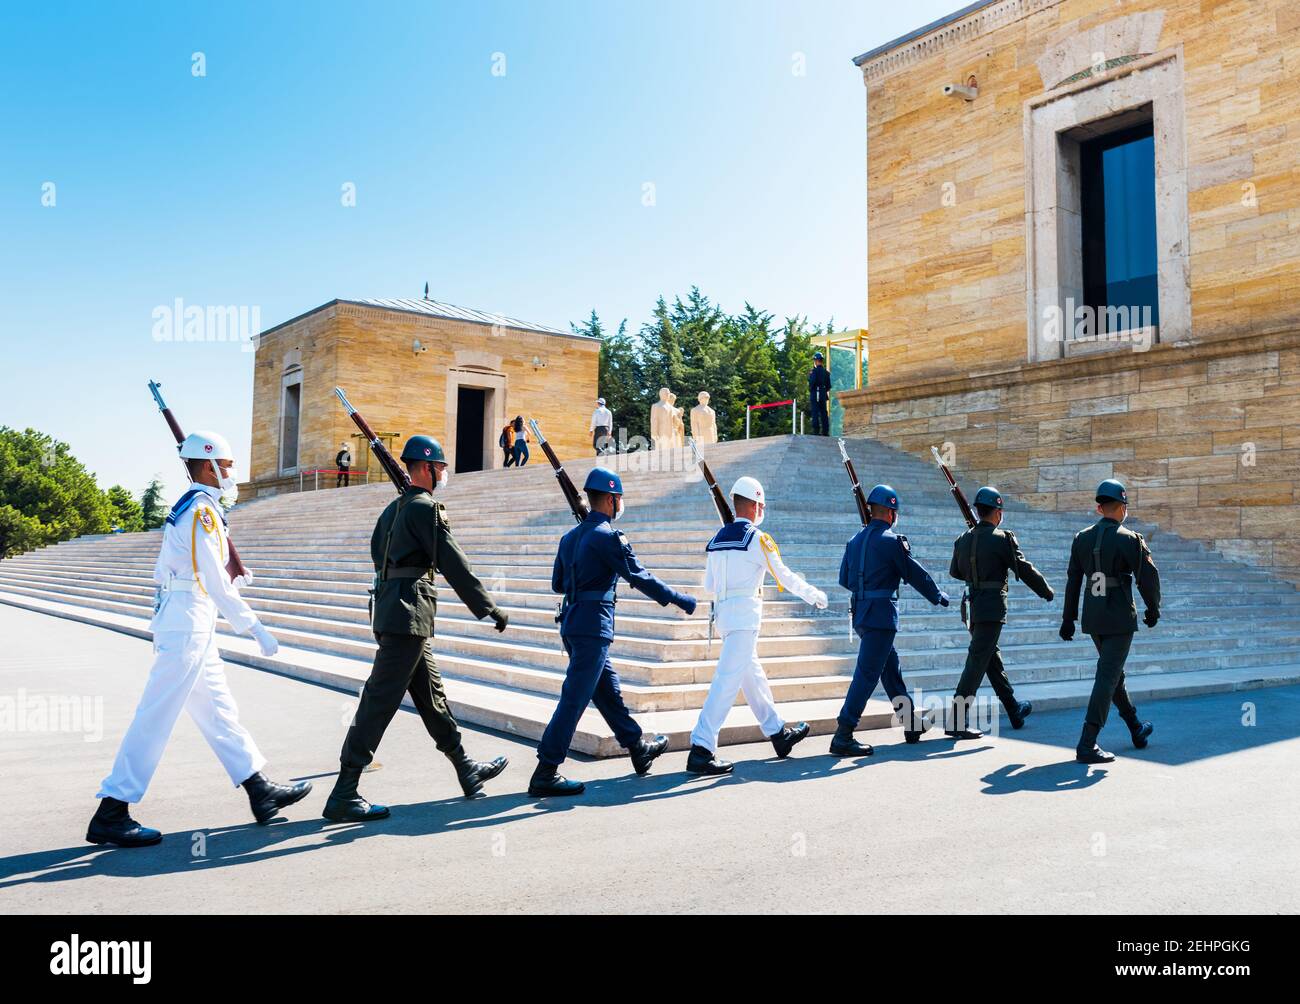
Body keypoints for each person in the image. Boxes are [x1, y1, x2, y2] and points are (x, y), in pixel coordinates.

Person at [86, 431, 310, 848]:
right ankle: (112, 810)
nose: (231, 473)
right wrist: (253, 625)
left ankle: (259, 789)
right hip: (187, 618)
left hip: (193, 618)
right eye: (226, 466)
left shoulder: (202, 507)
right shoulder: (200, 512)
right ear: (209, 465)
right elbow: (212, 576)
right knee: (156, 715)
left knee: (218, 708)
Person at [322, 435, 511, 821]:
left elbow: (380, 557)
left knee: (431, 698)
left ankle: (465, 768)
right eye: (440, 468)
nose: (443, 474)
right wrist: (487, 606)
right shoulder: (426, 509)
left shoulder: (392, 511)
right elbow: (453, 562)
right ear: (426, 468)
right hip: (408, 616)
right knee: (378, 702)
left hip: (396, 613)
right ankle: (344, 792)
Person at [530, 467, 697, 796]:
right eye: (618, 499)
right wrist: (680, 599)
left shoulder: (570, 537)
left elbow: (558, 584)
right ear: (610, 499)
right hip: (594, 626)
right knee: (574, 700)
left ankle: (637, 747)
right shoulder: (608, 536)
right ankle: (546, 771)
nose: (620, 504)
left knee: (607, 691)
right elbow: (639, 577)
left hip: (572, 622)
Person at [686, 477, 826, 775]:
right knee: (726, 683)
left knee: (753, 677)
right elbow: (784, 576)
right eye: (760, 505)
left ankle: (777, 733)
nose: (762, 510)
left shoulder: (717, 540)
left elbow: (710, 585)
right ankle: (701, 747)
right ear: (752, 505)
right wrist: (814, 595)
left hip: (723, 618)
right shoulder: (756, 539)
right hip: (744, 617)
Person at [830, 484, 950, 756]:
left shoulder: (854, 540)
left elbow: (844, 580)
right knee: (867, 674)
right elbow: (913, 572)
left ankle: (910, 723)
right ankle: (843, 733)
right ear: (891, 513)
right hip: (881, 616)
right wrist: (936, 595)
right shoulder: (891, 541)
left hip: (861, 614)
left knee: (889, 668)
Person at [1061, 479, 1161, 764]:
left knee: (1113, 674)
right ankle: (1087, 743)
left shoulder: (1081, 538)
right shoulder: (1129, 539)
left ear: (1099, 507)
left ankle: (1136, 728)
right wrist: (1153, 609)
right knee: (1107, 676)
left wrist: (1068, 619)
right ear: (1123, 507)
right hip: (1118, 618)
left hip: (1094, 618)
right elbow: (1148, 578)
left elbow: (1073, 582)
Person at [945, 486, 1054, 739]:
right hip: (991, 608)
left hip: (970, 607)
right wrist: (1045, 590)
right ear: (997, 512)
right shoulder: (1002, 538)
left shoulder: (962, 539)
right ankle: (956, 720)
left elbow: (955, 572)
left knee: (990, 660)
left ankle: (1013, 710)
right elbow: (1023, 568)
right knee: (976, 662)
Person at [808, 351, 832, 436]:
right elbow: (829, 386)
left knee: (815, 412)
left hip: (815, 393)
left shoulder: (814, 372)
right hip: (823, 394)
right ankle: (825, 431)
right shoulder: (826, 372)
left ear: (816, 361)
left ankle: (816, 431)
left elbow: (811, 383)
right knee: (823, 413)